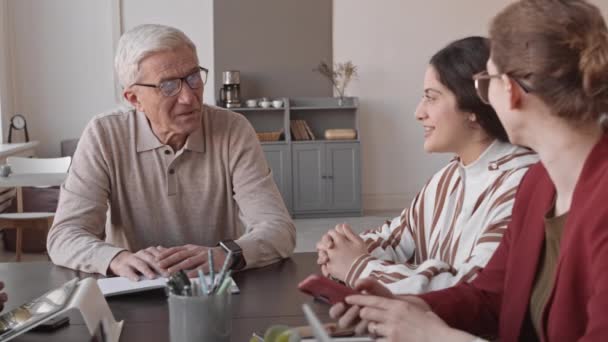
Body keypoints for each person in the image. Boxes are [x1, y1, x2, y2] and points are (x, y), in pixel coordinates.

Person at [334, 0, 608, 341]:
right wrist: (406, 306)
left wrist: (436, 336)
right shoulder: (539, 184)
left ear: (509, 90)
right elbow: (492, 297)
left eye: (485, 80)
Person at [47, 24, 296, 280]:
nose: (189, 97)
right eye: (168, 86)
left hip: (213, 290)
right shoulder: (103, 135)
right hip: (134, 290)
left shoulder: (233, 129)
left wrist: (227, 254)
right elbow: (65, 235)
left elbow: (279, 229)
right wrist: (116, 259)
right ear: (134, 99)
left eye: (193, 77)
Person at [316, 37, 538, 295]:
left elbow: (468, 292)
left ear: (474, 106)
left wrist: (358, 267)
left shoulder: (522, 183)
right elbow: (396, 238)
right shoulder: (448, 177)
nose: (418, 112)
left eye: (431, 98)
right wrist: (342, 249)